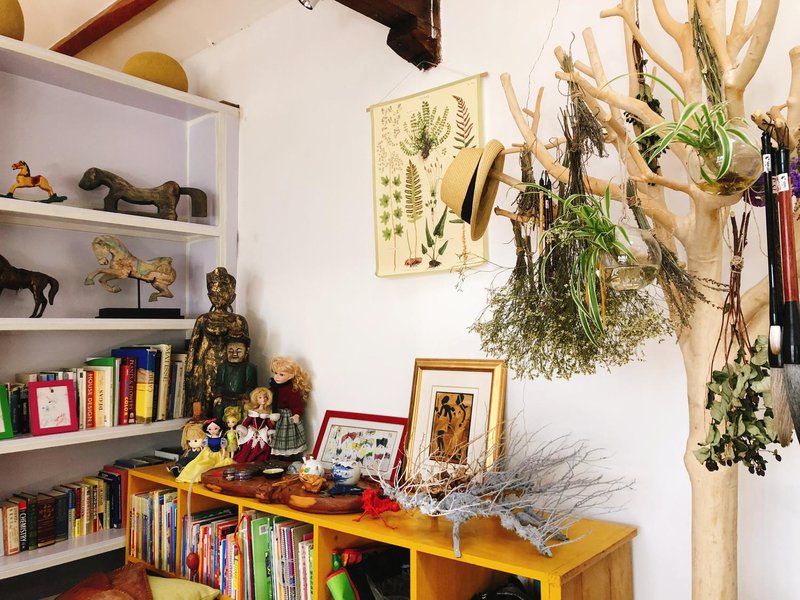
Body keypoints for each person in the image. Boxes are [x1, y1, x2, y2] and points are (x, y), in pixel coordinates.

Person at [184, 267, 249, 418]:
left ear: (232, 296)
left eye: (223, 292)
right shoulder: (203, 319)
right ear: (209, 295)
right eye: (214, 293)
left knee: (226, 401)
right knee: (206, 398)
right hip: (205, 364)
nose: (218, 296)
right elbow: (193, 346)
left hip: (230, 366)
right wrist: (189, 370)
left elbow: (246, 350)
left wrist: (244, 374)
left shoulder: (238, 320)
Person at [269, 356, 311, 460]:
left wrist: (297, 414)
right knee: (275, 436)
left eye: (281, 374)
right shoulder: (274, 386)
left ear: (290, 376)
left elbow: (296, 404)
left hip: (286, 417)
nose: (277, 377)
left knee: (285, 436)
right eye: (275, 373)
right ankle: (277, 457)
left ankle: (287, 457)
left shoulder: (291, 389)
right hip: (276, 414)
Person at [212, 329, 257, 422]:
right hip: (225, 399)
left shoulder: (249, 367)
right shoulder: (223, 367)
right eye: (231, 351)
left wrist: (246, 396)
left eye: (239, 351)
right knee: (218, 410)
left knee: (245, 413)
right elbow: (219, 384)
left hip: (241, 400)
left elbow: (251, 386)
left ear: (246, 351)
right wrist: (218, 396)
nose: (235, 354)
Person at [176, 417, 234, 483]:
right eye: (210, 429)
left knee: (217, 467)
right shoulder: (207, 439)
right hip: (209, 454)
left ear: (220, 428)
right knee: (199, 465)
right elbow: (205, 448)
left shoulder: (222, 440)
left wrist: (223, 457)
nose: (212, 431)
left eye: (215, 428)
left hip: (218, 455)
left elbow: (223, 449)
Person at [234, 387, 279, 463]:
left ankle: (260, 462)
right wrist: (242, 429)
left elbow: (269, 424)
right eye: (260, 397)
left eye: (265, 397)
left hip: (262, 432)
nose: (263, 399)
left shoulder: (267, 412)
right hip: (252, 431)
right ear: (256, 399)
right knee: (248, 447)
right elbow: (247, 422)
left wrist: (272, 426)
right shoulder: (253, 411)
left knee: (263, 447)